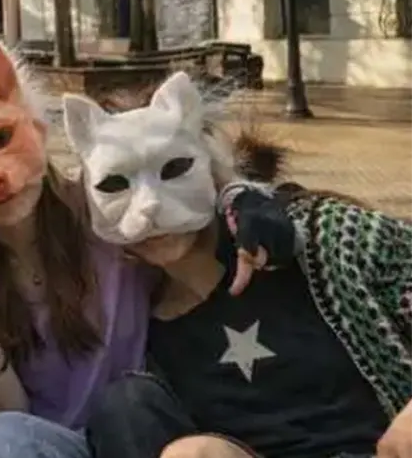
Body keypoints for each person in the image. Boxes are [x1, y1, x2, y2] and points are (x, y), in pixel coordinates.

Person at [0, 44, 278, 458]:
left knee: (123, 404)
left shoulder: (106, 205)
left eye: (2, 139)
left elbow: (186, 187)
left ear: (36, 128)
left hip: (141, 429)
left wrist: (241, 199)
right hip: (50, 446)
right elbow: (1, 421)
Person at [65, 71, 412, 458]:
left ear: (212, 167)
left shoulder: (323, 237)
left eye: (173, 170)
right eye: (116, 185)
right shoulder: (141, 329)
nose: (149, 206)